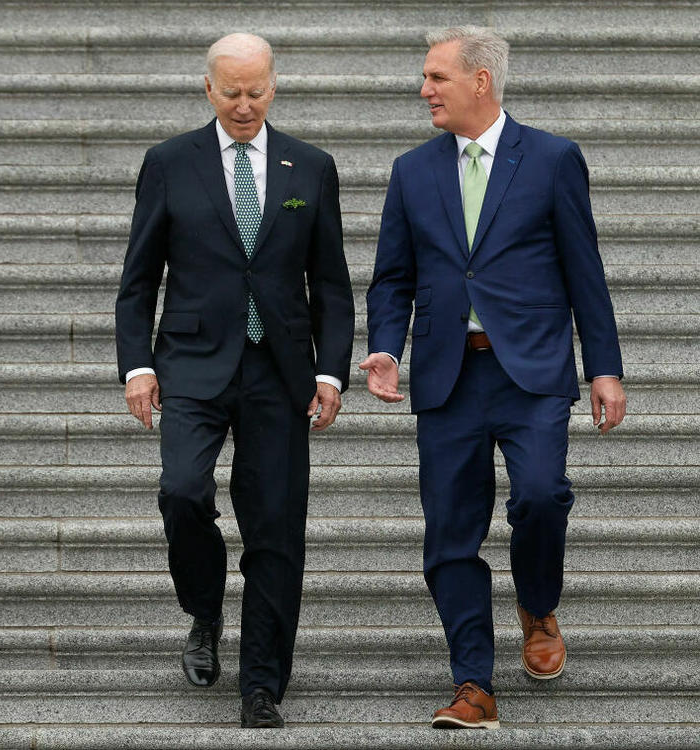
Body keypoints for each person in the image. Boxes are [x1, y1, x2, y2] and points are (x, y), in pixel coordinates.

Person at [360, 26, 626, 729]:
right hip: (448, 376)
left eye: (436, 77)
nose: (424, 90)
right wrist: (386, 345)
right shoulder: (412, 170)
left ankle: (537, 605)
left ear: (481, 81)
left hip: (531, 371)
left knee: (541, 496)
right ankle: (473, 683)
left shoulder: (551, 158)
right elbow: (392, 278)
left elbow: (584, 271)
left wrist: (603, 366)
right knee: (450, 533)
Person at [115, 32, 354, 728]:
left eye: (256, 92)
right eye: (231, 93)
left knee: (276, 525)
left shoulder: (310, 167)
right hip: (191, 362)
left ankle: (262, 684)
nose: (244, 106)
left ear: (273, 87)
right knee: (182, 492)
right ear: (208, 90)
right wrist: (138, 364)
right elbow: (138, 280)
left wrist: (331, 371)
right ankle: (205, 607)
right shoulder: (169, 163)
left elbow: (331, 284)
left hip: (279, 370)